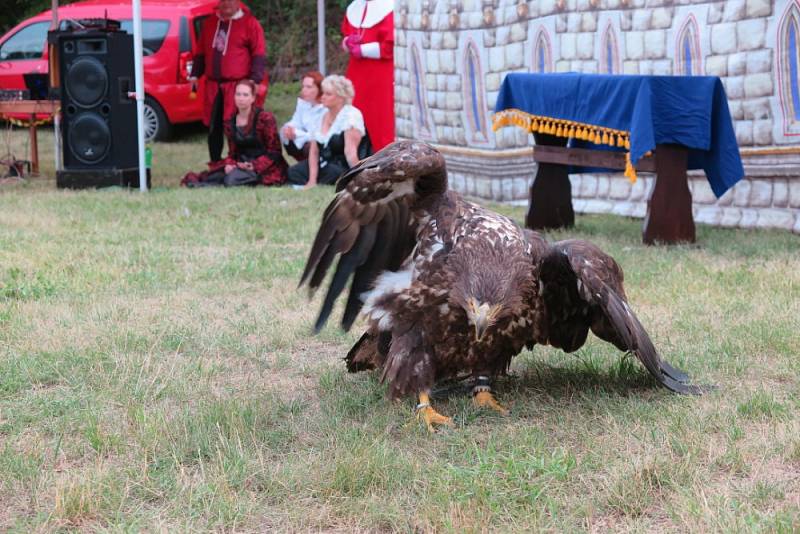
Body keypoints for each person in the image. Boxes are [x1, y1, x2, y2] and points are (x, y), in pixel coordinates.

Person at [190, 0, 267, 164]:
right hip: (213, 86)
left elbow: (258, 53)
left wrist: (255, 80)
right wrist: (195, 74)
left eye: (231, 1)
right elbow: (201, 51)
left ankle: (240, 160)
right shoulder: (210, 23)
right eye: (224, 1)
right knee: (214, 126)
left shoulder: (250, 24)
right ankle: (216, 162)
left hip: (238, 85)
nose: (227, 4)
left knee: (238, 125)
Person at [181, 79, 286, 187]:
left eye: (245, 95)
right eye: (238, 94)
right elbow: (233, 153)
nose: (241, 98)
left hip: (265, 166)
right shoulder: (231, 122)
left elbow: (275, 152)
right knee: (216, 175)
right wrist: (231, 164)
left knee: (231, 180)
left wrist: (254, 165)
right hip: (241, 164)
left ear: (253, 98)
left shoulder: (265, 118)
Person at [287, 75, 371, 189]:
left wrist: (360, 179)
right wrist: (312, 180)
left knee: (333, 173)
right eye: (323, 93)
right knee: (293, 172)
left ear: (341, 97)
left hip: (343, 165)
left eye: (328, 94)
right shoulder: (321, 114)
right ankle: (315, 182)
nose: (323, 97)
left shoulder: (351, 116)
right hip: (324, 164)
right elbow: (314, 152)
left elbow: (350, 154)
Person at [341, 0, 394, 151]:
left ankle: (383, 159)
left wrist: (362, 50)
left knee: (380, 120)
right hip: (356, 73)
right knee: (352, 115)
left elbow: (389, 47)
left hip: (380, 75)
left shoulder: (390, 7)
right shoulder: (355, 7)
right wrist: (347, 43)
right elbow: (346, 36)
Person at [279, 71, 326, 161]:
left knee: (310, 145)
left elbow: (319, 134)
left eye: (309, 87)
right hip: (306, 138)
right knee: (285, 135)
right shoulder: (303, 103)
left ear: (319, 89)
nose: (304, 90)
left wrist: (296, 133)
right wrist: (289, 129)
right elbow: (296, 121)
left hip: (321, 144)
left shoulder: (326, 107)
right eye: (303, 86)